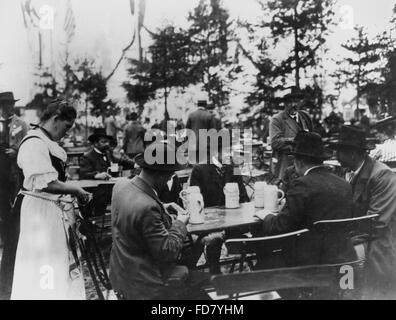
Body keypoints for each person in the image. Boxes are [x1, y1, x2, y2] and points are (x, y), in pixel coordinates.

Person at [0, 100, 91, 300]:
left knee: (54, 262)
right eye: (67, 127)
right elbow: (45, 183)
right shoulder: (34, 142)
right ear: (55, 118)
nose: (67, 132)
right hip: (37, 213)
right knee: (42, 263)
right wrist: (75, 189)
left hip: (50, 209)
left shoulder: (47, 142)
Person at [109, 142, 210, 300]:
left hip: (122, 274)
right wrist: (180, 224)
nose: (170, 178)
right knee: (205, 288)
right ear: (160, 174)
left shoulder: (121, 186)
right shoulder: (148, 207)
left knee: (193, 263)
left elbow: (135, 211)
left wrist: (162, 206)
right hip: (146, 283)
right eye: (170, 175)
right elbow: (167, 252)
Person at [253, 132, 356, 268]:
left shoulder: (301, 184)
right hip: (343, 255)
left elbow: (282, 226)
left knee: (263, 261)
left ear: (299, 162)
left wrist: (267, 216)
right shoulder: (344, 184)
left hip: (309, 261)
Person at [329, 125, 396, 298]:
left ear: (353, 153)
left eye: (339, 152)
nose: (335, 157)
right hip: (357, 238)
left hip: (376, 245)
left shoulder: (382, 175)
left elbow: (376, 221)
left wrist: (343, 234)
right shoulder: (348, 171)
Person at [0, 92, 29, 249]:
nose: (9, 107)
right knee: (2, 204)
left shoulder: (22, 124)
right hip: (0, 169)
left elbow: (28, 144)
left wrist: (16, 151)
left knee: (16, 203)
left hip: (14, 170)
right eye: (5, 104)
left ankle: (16, 239)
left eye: (11, 104)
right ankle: (4, 239)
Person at [269, 88, 313, 180]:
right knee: (286, 189)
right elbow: (275, 142)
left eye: (296, 101)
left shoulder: (305, 116)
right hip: (286, 163)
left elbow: (312, 135)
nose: (293, 105)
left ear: (300, 102)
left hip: (305, 163)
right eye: (290, 102)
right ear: (285, 104)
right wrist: (296, 139)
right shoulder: (277, 119)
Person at [186, 96, 221, 164]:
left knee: (195, 165)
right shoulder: (209, 116)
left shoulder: (191, 115)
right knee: (204, 165)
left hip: (193, 145)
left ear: (197, 105)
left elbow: (187, 130)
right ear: (205, 105)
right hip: (205, 145)